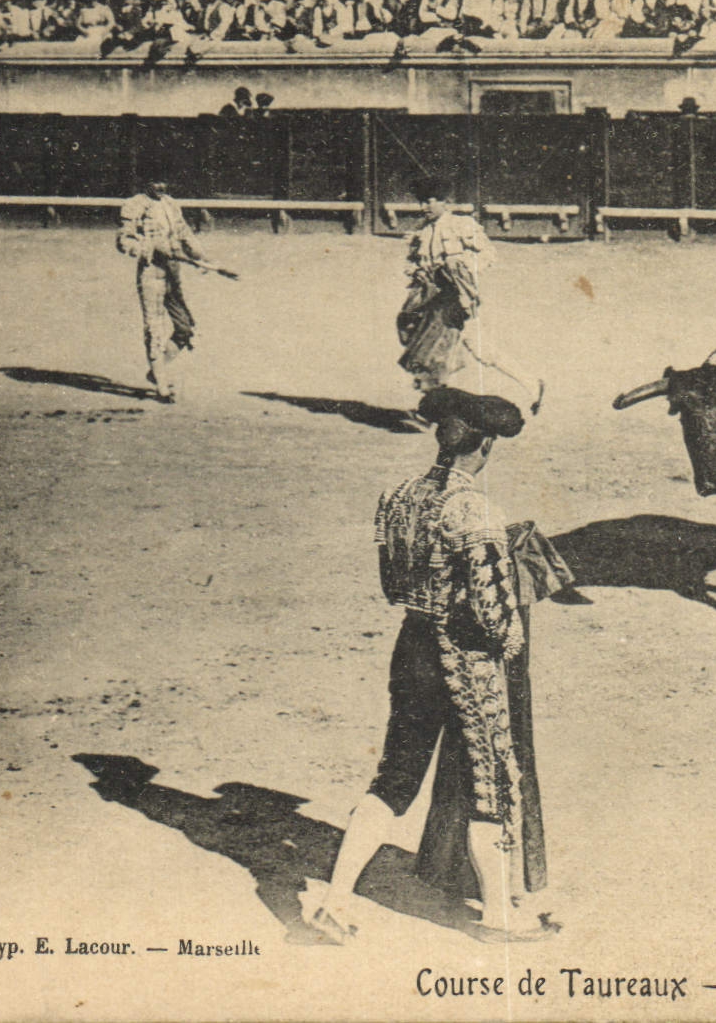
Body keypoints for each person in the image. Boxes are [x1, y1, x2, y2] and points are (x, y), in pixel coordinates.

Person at [303, 387, 558, 944]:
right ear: (484, 446)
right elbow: (493, 611)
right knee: (490, 783)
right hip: (463, 660)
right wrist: (511, 639)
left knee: (395, 777)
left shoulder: (396, 498)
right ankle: (498, 913)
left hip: (411, 646)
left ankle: (334, 900)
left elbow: (391, 584)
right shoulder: (476, 510)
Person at [398, 177, 543, 410]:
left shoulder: (461, 225)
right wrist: (418, 272)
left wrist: (461, 267)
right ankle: (433, 407)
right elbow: (413, 264)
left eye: (430, 201)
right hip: (432, 301)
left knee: (473, 349)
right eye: (421, 202)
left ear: (444, 202)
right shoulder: (421, 231)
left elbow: (488, 254)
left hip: (457, 298)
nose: (424, 207)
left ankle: (531, 383)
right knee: (434, 349)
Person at [116, 178, 206, 403]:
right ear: (146, 183)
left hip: (173, 273)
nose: (161, 187)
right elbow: (124, 241)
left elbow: (184, 234)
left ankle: (157, 371)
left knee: (185, 328)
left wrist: (201, 257)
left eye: (164, 182)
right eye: (155, 183)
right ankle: (161, 385)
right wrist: (151, 247)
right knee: (154, 327)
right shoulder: (135, 204)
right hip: (151, 272)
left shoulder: (170, 204)